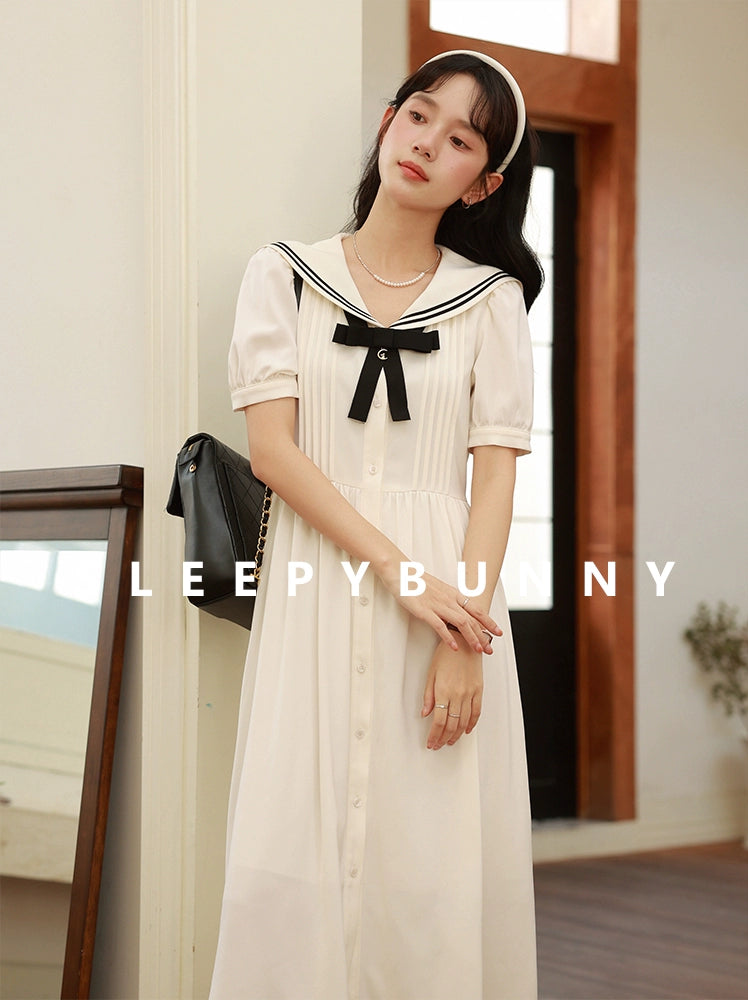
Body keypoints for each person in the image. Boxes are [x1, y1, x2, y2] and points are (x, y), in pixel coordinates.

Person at [210, 50, 543, 1000]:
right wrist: (402, 574)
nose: (428, 143)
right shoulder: (283, 276)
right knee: (292, 845)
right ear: (391, 120)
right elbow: (274, 455)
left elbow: (493, 483)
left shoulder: (493, 303)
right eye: (420, 115)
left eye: (462, 140)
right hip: (322, 587)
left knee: (431, 856)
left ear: (481, 183)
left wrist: (465, 638)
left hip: (449, 607)